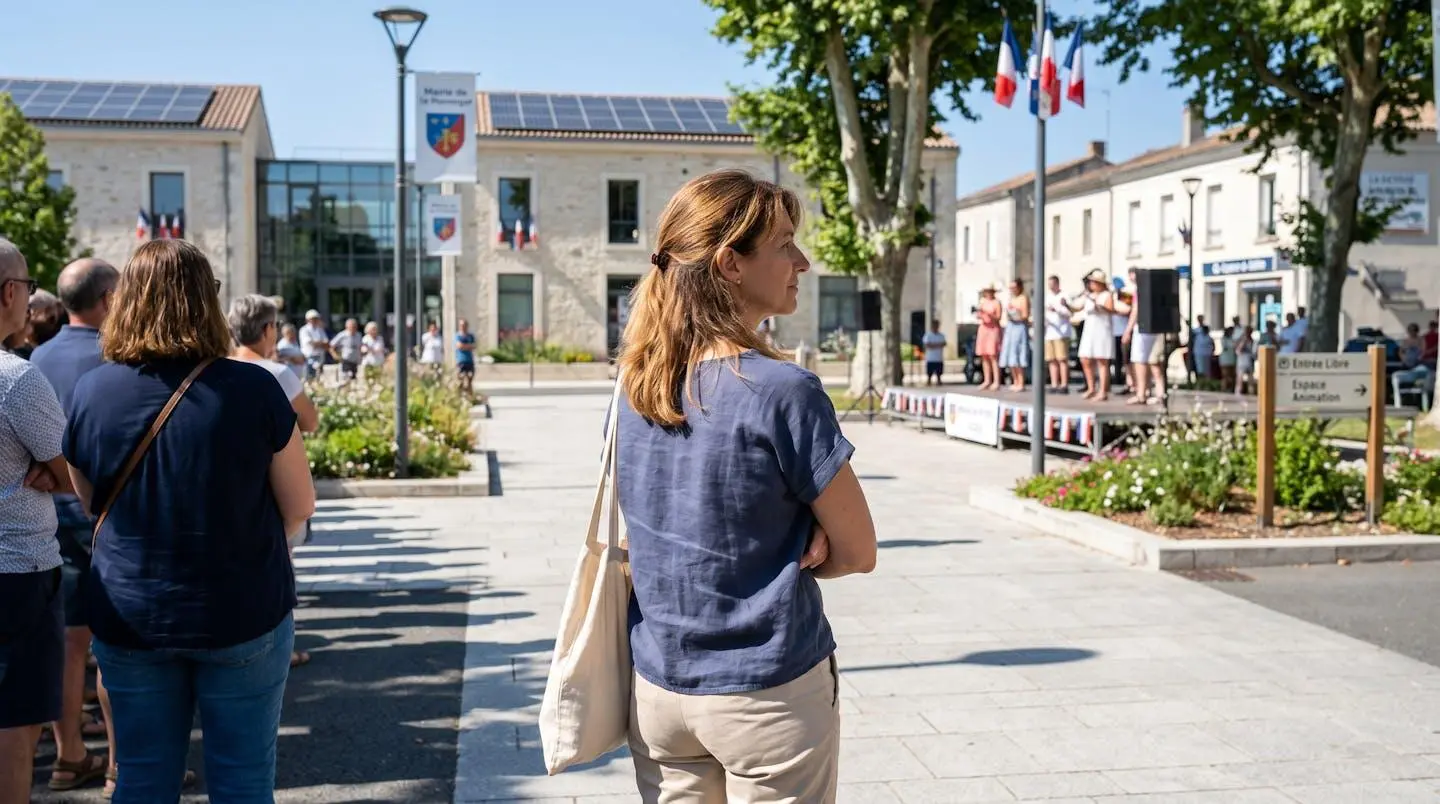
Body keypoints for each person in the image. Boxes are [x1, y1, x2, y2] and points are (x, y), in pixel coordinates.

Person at [616, 169, 876, 801]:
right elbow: (860, 551)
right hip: (766, 692)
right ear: (730, 263)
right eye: (785, 243)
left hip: (658, 687)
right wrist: (805, 543)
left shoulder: (634, 384)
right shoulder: (784, 392)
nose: (803, 261)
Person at [62, 240, 315, 802]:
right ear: (207, 302)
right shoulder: (254, 389)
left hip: (131, 610)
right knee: (243, 781)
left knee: (144, 777)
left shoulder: (91, 392)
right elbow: (300, 506)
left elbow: (91, 502)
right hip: (243, 605)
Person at [29, 258, 120, 795]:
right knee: (113, 642)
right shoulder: (115, 358)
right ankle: (120, 763)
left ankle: (68, 756)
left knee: (68, 642)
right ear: (108, 299)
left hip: (51, 513)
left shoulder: (36, 356)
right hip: (103, 511)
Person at [0, 238, 74, 803]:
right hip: (16, 572)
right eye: (26, 286)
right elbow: (74, 471)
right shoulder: (17, 381)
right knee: (14, 719)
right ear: (9, 293)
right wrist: (55, 472)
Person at [228, 294, 320, 671]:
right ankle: (281, 646)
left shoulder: (219, 367)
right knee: (282, 563)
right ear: (268, 330)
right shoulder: (277, 374)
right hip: (276, 477)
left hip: (234, 481)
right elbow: (310, 421)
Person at [1070, 268, 1128, 401]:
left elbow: (1110, 309)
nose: (1091, 285)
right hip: (1090, 329)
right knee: (1085, 358)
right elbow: (1078, 307)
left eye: (1093, 282)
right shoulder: (1087, 295)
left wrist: (1096, 303)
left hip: (1102, 329)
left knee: (1102, 360)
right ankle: (1091, 387)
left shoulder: (1106, 295)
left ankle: (1103, 390)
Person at [1121, 268, 1165, 405]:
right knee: (1152, 362)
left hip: (1143, 328)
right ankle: (1155, 392)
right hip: (1156, 328)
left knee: (1140, 360)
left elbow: (1135, 310)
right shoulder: (1156, 290)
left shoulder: (1139, 291)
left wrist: (1127, 330)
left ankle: (1142, 393)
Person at [999, 279, 1030, 392]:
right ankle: (1015, 380)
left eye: (1014, 287)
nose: (1012, 290)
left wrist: (1017, 314)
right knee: (1010, 353)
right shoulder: (1012, 299)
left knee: (1018, 352)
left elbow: (1025, 314)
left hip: (1019, 327)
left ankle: (1021, 381)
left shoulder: (1023, 298)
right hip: (1011, 327)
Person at [1043, 275, 1072, 393]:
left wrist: (1058, 309)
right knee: (1051, 359)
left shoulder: (1064, 296)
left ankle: (1064, 384)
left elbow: (1070, 312)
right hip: (1049, 331)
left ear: (1057, 284)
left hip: (1061, 331)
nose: (1050, 286)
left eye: (1052, 284)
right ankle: (1054, 383)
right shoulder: (1047, 296)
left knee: (1062, 359)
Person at [975, 284, 1003, 390]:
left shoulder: (996, 303)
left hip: (993, 329)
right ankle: (987, 380)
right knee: (984, 355)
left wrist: (989, 314)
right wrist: (980, 314)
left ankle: (996, 380)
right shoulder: (982, 302)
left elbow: (998, 317)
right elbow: (978, 315)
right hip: (984, 328)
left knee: (993, 355)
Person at [298, 310, 329, 381]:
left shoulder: (320, 329)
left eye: (316, 318)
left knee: (319, 379)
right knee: (309, 378)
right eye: (313, 318)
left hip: (320, 357)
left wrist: (317, 343)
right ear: (308, 320)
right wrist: (321, 344)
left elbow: (326, 343)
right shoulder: (304, 330)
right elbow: (311, 343)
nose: (315, 320)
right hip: (308, 357)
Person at [921, 319, 946, 386]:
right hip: (930, 358)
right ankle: (929, 383)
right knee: (929, 374)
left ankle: (939, 382)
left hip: (939, 358)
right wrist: (938, 345)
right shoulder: (928, 335)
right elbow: (927, 345)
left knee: (939, 373)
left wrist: (933, 345)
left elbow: (944, 344)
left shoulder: (941, 335)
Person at [455, 318, 476, 397]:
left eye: (464, 325)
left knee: (470, 380)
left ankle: (470, 397)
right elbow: (459, 346)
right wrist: (468, 346)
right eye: (461, 325)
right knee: (460, 380)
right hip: (461, 361)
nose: (463, 327)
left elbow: (474, 346)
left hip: (469, 361)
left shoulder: (470, 336)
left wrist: (464, 346)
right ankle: (459, 397)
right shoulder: (458, 336)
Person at [1234, 324, 1255, 394]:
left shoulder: (1252, 339)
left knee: (1250, 379)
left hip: (1249, 360)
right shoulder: (1242, 339)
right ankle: (1238, 392)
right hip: (1242, 361)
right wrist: (1244, 341)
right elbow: (1238, 350)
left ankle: (1250, 392)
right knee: (1240, 379)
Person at [1218, 326, 1237, 391]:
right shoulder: (1224, 339)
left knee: (1232, 376)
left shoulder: (1232, 339)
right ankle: (1224, 389)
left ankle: (1230, 389)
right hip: (1225, 360)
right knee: (1225, 376)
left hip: (1232, 360)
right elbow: (1226, 347)